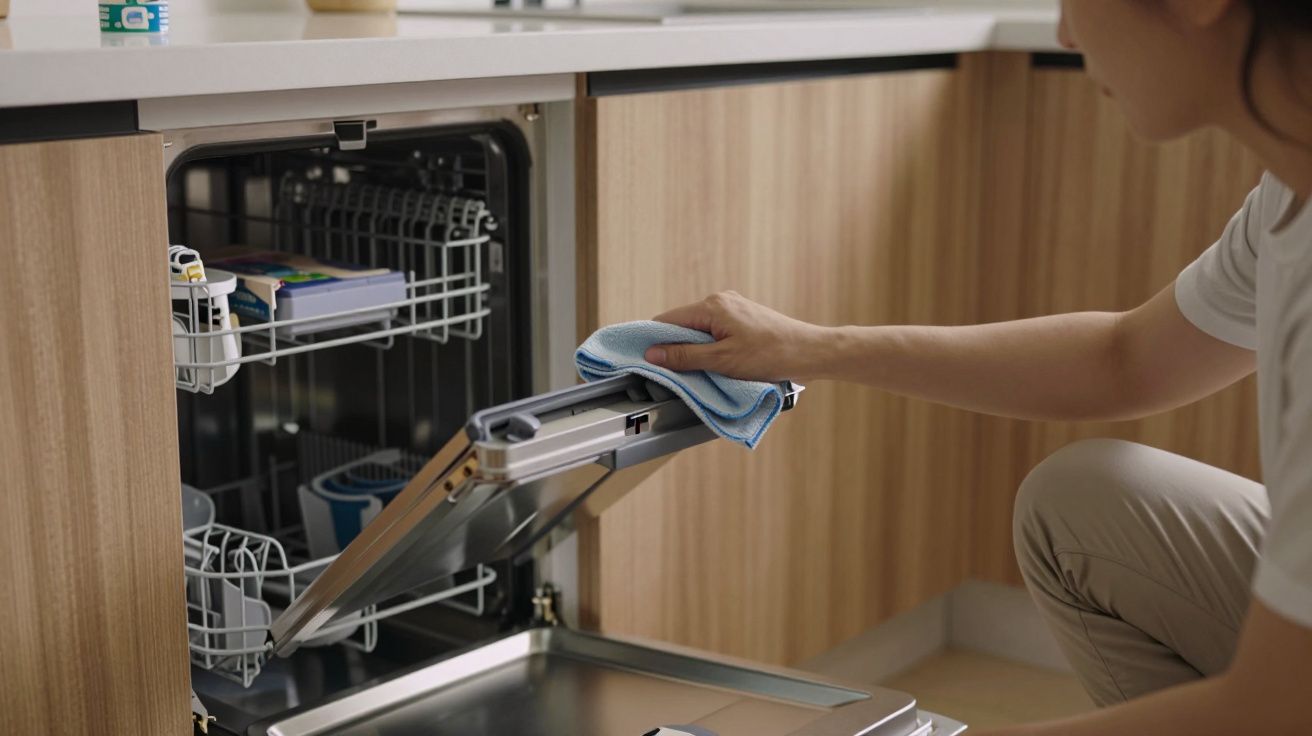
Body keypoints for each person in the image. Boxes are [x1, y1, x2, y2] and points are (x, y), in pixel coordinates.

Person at [643, 1, 1312, 733]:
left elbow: (1276, 704)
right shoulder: (1289, 190)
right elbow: (1124, 359)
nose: (1064, 31)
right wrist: (812, 346)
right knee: (1082, 501)